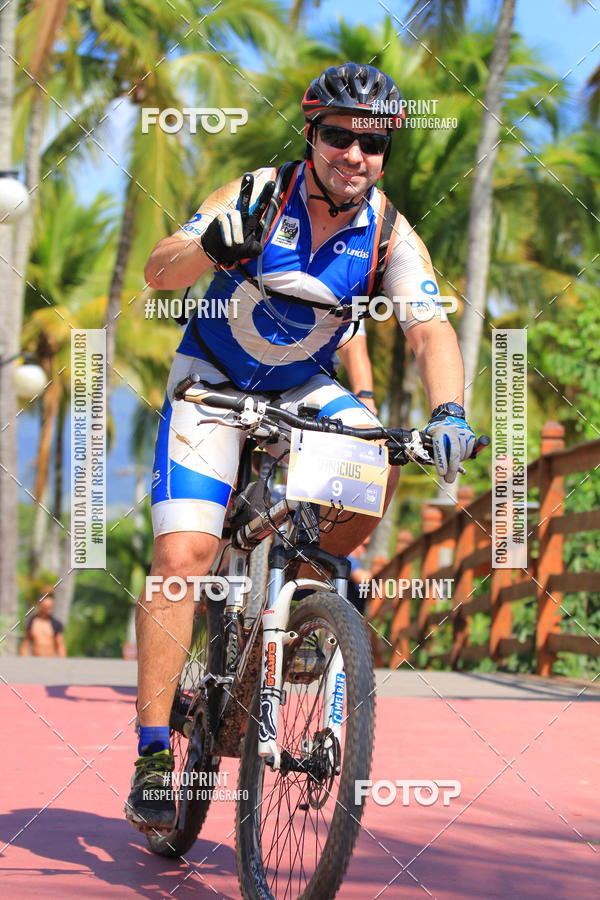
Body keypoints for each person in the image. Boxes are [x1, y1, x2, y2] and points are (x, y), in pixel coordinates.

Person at [127, 62, 475, 831]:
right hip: (211, 382)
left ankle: (292, 611)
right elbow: (158, 273)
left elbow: (427, 328)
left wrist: (449, 408)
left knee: (369, 471)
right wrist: (212, 249)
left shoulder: (387, 227)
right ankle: (154, 754)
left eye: (373, 141)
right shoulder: (255, 194)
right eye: (339, 135)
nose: (355, 154)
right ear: (311, 135)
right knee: (183, 557)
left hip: (298, 389)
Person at [19, 593, 66, 657]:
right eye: (46, 607)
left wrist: (63, 662)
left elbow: (60, 645)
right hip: (35, 659)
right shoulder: (31, 622)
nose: (48, 610)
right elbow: (26, 642)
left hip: (50, 660)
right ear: (40, 605)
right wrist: (22, 659)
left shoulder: (56, 624)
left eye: (50, 607)